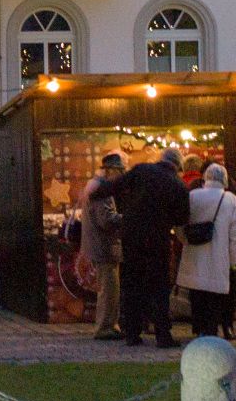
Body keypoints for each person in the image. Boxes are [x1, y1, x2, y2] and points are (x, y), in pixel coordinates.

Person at [114, 148, 191, 348]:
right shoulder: (176, 184)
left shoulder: (141, 174)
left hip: (132, 238)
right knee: (159, 289)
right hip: (157, 241)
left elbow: (119, 192)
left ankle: (132, 332)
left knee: (132, 285)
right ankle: (162, 334)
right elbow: (181, 218)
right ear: (176, 166)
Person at [174, 162, 236, 340]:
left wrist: (184, 240)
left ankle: (198, 329)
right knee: (214, 297)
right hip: (218, 255)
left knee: (197, 293)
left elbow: (180, 222)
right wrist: (233, 260)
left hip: (194, 253)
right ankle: (211, 330)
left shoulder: (192, 196)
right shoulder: (230, 199)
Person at [81, 152, 127, 341]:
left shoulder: (95, 186)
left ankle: (108, 325)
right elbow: (106, 220)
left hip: (99, 245)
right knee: (109, 290)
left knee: (109, 289)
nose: (121, 176)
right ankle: (105, 327)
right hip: (105, 246)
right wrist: (128, 218)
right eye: (120, 171)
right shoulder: (103, 191)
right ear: (111, 170)